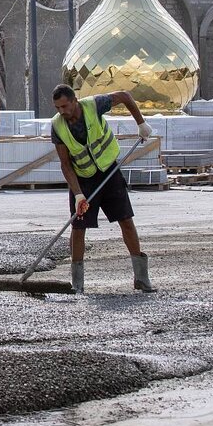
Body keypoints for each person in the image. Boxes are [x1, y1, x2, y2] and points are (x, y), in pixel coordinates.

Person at [50, 84, 155, 294]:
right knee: (78, 228)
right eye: (58, 108)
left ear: (74, 101)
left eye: (64, 106)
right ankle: (77, 284)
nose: (62, 112)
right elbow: (65, 164)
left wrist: (141, 123)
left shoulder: (94, 105)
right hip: (83, 179)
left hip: (109, 171)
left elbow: (125, 95)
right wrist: (78, 194)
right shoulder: (57, 126)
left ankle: (142, 279)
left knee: (125, 219)